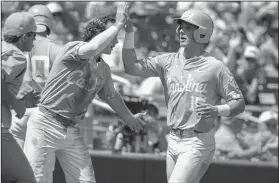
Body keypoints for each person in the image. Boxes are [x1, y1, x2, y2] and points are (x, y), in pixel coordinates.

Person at [24, 3, 145, 183]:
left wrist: (129, 118)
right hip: (45, 123)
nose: (115, 41)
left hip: (71, 129)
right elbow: (91, 49)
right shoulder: (73, 47)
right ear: (99, 35)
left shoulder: (103, 69)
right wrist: (118, 25)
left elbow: (111, 95)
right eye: (112, 36)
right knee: (34, 179)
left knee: (86, 181)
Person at [122, 9, 245, 183]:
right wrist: (129, 34)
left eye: (188, 27)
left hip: (197, 141)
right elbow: (131, 67)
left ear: (202, 33)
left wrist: (217, 110)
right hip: (173, 139)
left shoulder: (215, 67)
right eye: (181, 26)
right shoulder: (167, 61)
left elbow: (239, 102)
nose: (180, 30)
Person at [10, 4, 62, 150]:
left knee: (15, 168)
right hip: (43, 116)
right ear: (49, 23)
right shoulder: (56, 49)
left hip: (16, 112)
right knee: (38, 170)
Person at [2, 12, 38, 183]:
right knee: (27, 180)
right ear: (25, 37)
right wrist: (16, 104)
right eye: (34, 35)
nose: (35, 39)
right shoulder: (16, 56)